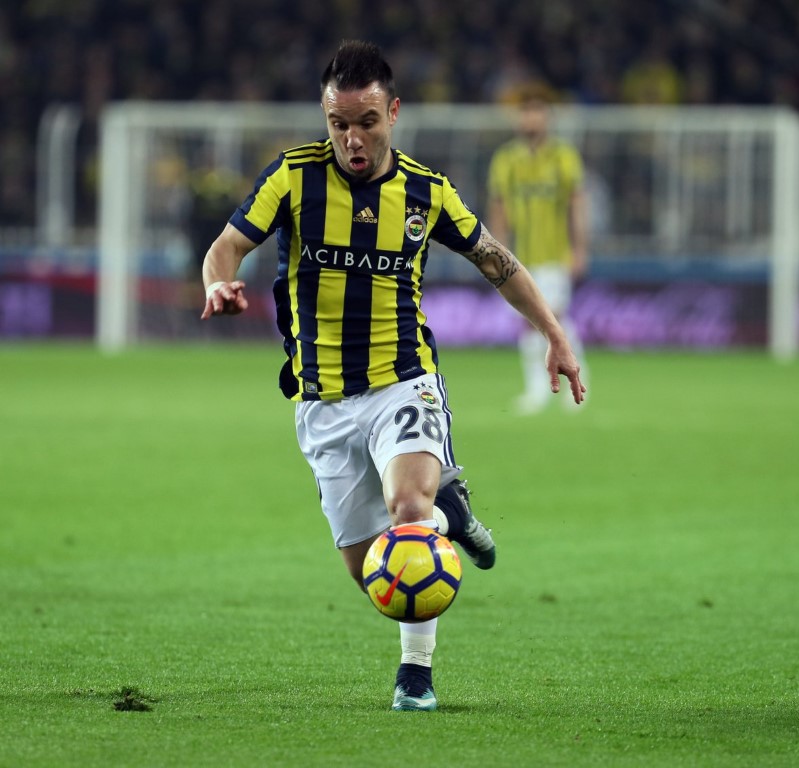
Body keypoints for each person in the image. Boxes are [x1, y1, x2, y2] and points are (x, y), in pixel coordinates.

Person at [200, 40, 585, 712]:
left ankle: (416, 673)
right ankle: (450, 510)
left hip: (402, 380)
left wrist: (554, 333)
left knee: (408, 514)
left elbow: (496, 261)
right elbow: (227, 246)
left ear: (394, 113)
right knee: (374, 574)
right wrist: (217, 283)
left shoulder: (426, 192)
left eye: (366, 122)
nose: (352, 138)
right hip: (322, 400)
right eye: (338, 123)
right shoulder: (292, 177)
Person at [487, 86, 590, 414]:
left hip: (554, 254)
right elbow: (499, 207)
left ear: (547, 118)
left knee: (554, 317)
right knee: (526, 321)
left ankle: (578, 380)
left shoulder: (563, 157)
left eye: (537, 112)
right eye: (526, 112)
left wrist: (579, 248)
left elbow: (576, 204)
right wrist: (495, 251)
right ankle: (537, 388)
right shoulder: (506, 159)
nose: (531, 119)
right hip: (519, 256)